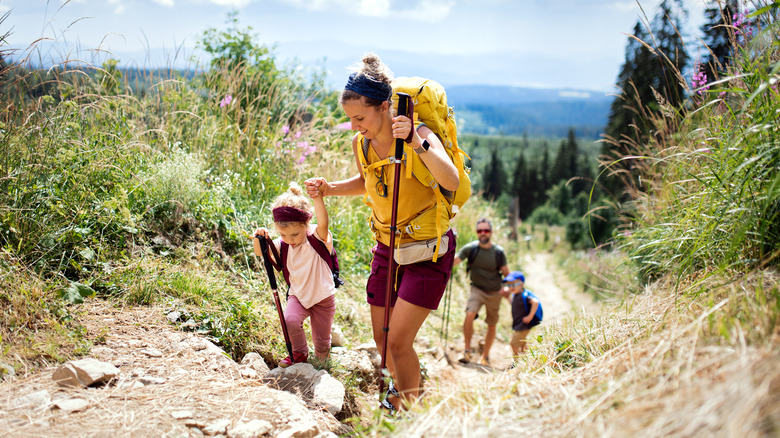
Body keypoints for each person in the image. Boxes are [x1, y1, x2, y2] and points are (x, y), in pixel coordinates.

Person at [304, 53, 459, 412]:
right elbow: (368, 181)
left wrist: (418, 144)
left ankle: (410, 412)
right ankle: (405, 393)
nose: (355, 126)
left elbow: (449, 178)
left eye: (360, 118)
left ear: (385, 107)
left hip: (427, 251)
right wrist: (330, 188)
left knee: (400, 342)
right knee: (382, 340)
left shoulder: (418, 133)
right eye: (350, 119)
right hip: (387, 247)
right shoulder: (362, 143)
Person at [253, 182, 336, 368]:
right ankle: (299, 354)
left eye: (295, 234)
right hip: (298, 295)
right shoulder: (282, 245)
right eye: (283, 235)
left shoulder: (317, 237)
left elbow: (323, 222)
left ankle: (323, 362)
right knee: (290, 320)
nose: (290, 240)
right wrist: (258, 237)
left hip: (323, 297)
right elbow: (260, 252)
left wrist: (318, 198)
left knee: (322, 340)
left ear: (307, 224)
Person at [452, 218, 510, 366]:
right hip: (477, 289)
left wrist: (509, 289)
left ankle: (486, 356)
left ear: (491, 232)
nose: (483, 233)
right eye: (480, 231)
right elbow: (453, 261)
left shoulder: (498, 252)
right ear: (477, 232)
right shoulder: (470, 249)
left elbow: (507, 274)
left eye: (486, 230)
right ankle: (467, 351)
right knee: (469, 314)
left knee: (491, 324)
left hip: (495, 292)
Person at [501, 271, 541, 357]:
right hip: (519, 324)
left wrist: (530, 316)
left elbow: (535, 302)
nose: (511, 287)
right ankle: (526, 358)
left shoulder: (524, 295)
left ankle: (517, 361)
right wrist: (508, 298)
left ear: (521, 284)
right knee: (523, 343)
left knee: (513, 344)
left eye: (514, 285)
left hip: (524, 325)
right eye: (509, 285)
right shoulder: (516, 296)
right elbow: (514, 305)